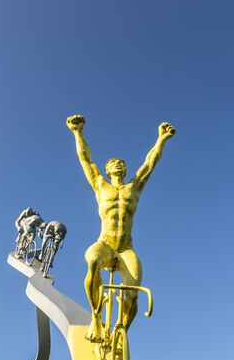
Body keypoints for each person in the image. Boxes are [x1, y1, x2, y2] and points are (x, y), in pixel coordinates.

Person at [66, 114, 176, 342]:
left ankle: (121, 332)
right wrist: (78, 132)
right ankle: (96, 317)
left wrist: (161, 139)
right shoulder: (100, 185)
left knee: (133, 293)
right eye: (113, 163)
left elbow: (149, 163)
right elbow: (85, 160)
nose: (118, 163)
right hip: (105, 244)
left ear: (125, 170)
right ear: (107, 170)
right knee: (93, 261)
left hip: (125, 248)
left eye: (122, 163)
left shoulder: (134, 187)